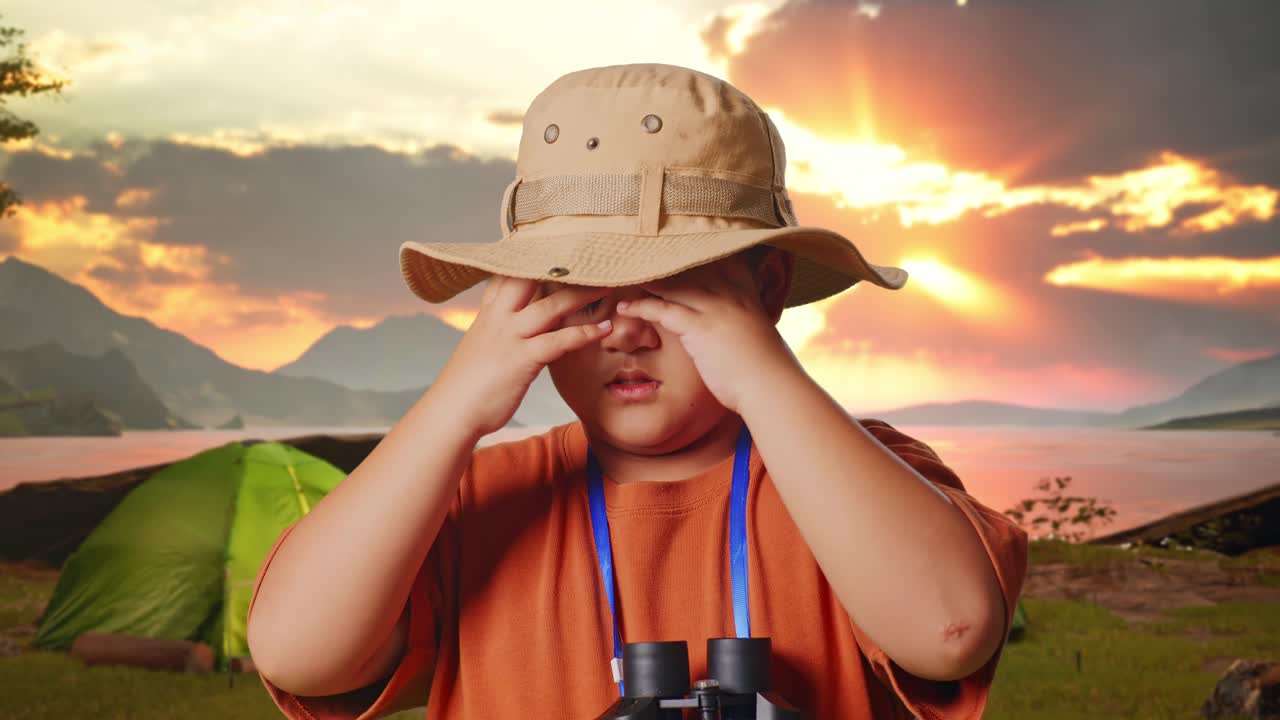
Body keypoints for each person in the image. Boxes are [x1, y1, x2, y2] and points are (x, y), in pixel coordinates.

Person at [246, 62, 1028, 719]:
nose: (624, 331)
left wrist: (764, 375)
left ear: (767, 289)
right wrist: (454, 406)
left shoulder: (861, 475)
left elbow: (950, 631)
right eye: (577, 293)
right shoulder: (472, 500)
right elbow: (297, 654)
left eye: (670, 290)